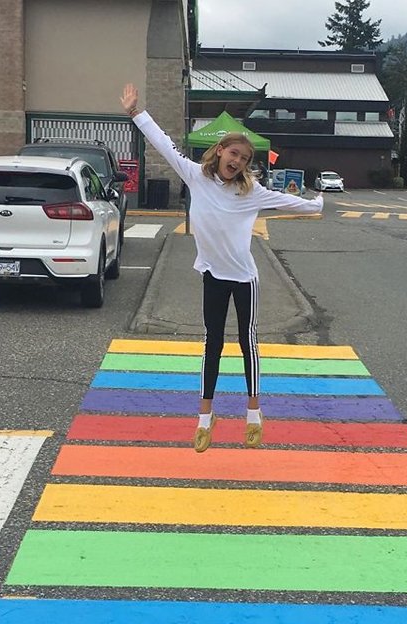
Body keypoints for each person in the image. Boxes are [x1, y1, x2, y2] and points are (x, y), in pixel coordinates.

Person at [120, 84, 323, 452]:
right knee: (212, 343)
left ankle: (253, 413)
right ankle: (204, 416)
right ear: (220, 151)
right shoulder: (196, 176)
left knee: (248, 343)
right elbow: (164, 145)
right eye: (235, 154)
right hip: (213, 275)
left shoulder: (250, 192)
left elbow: (285, 201)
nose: (239, 162)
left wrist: (317, 203)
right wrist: (136, 113)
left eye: (245, 159)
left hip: (245, 279)